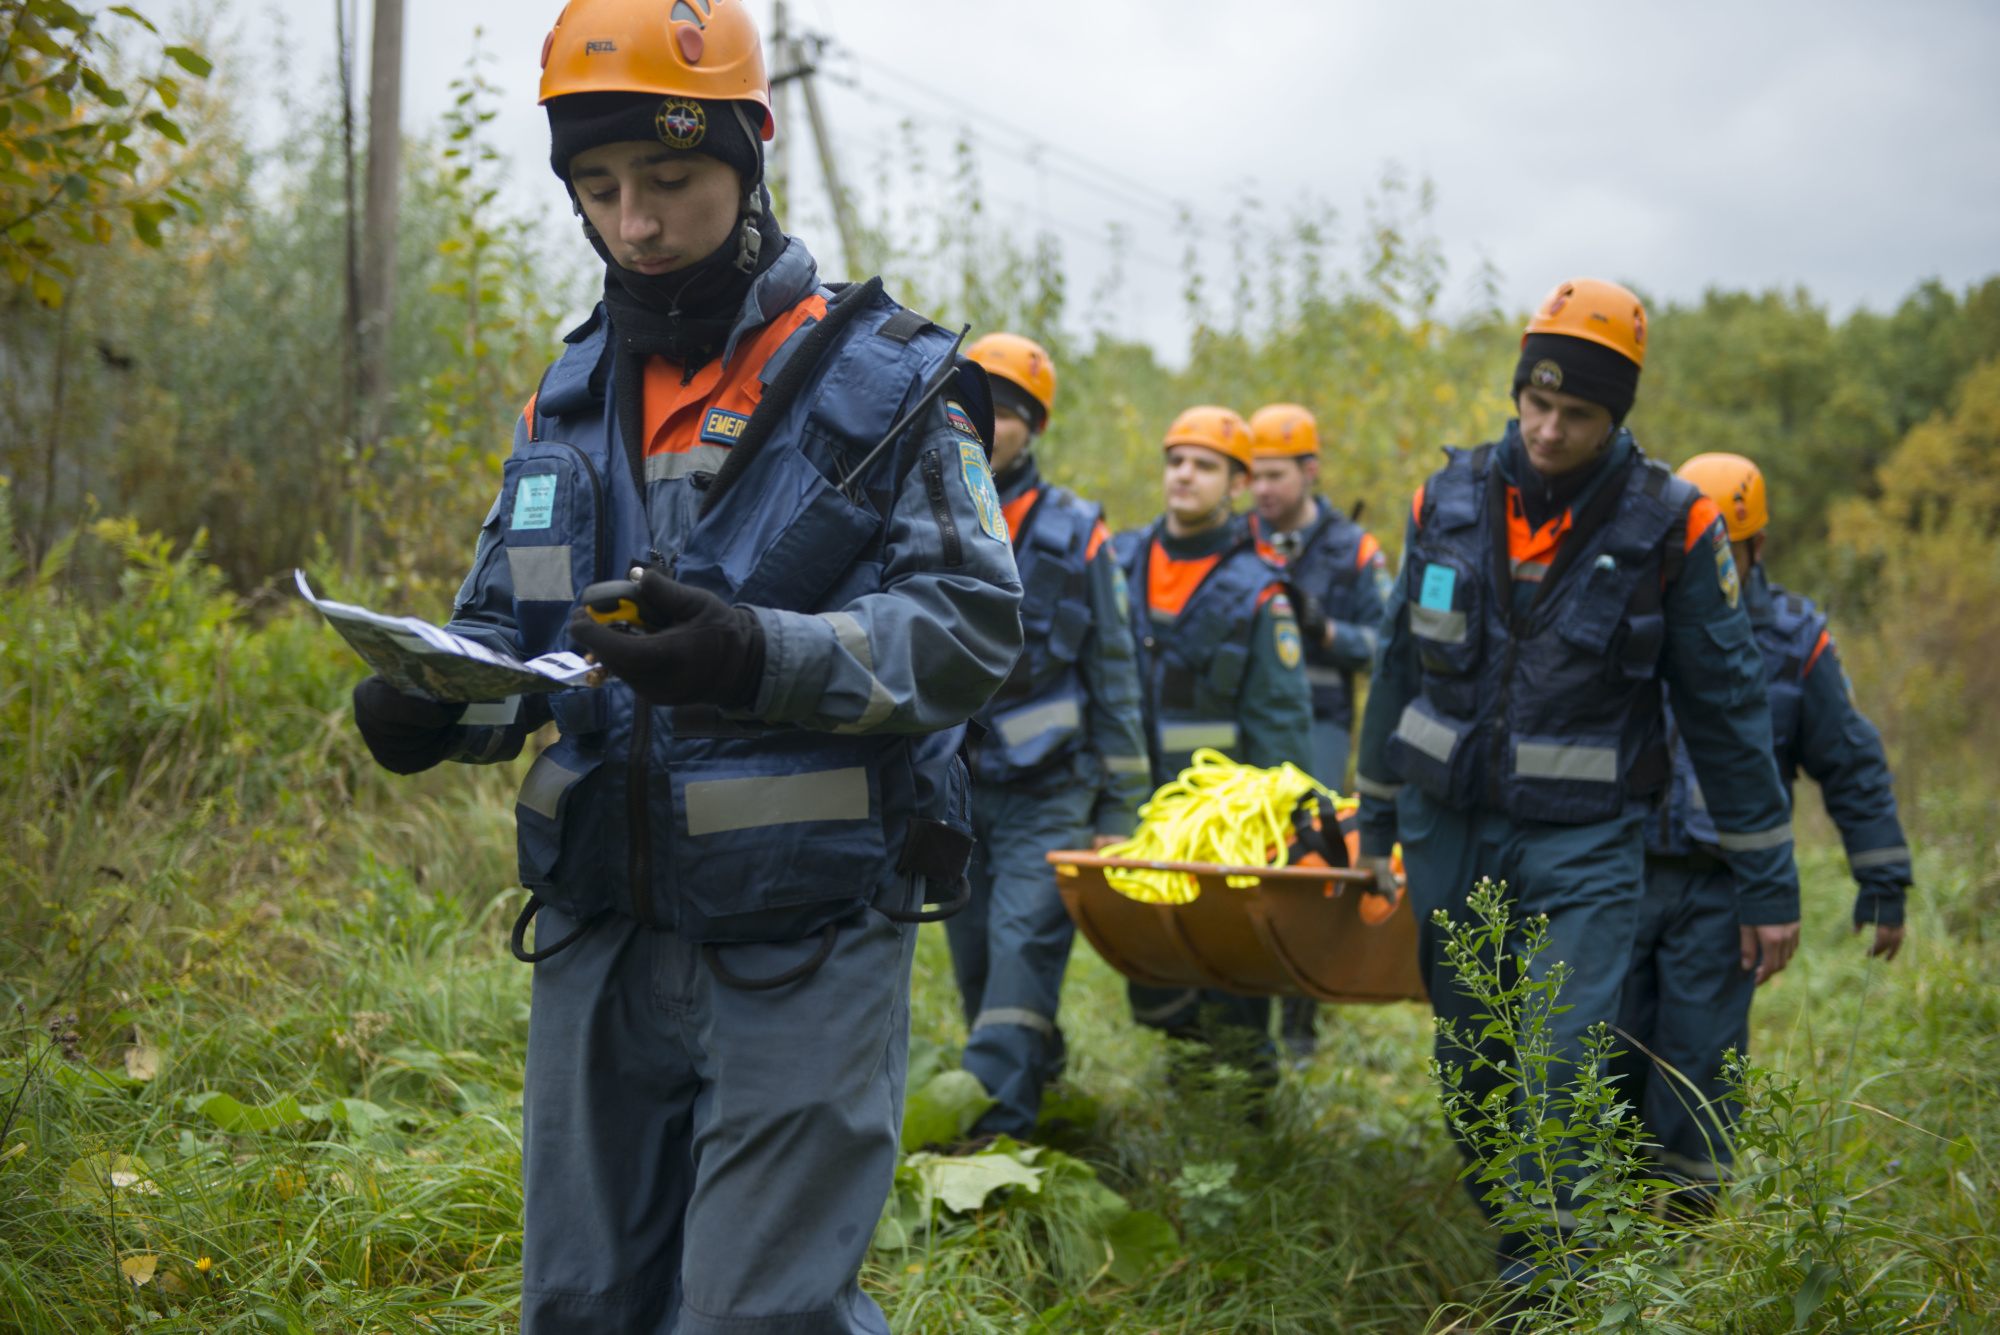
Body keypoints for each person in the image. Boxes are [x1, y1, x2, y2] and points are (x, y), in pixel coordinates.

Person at [346, 4, 1023, 1331]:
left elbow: (971, 626)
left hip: (804, 932)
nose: (635, 223)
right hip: (599, 922)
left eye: (669, 181)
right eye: (598, 189)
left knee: (755, 1313)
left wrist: (757, 651)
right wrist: (437, 700)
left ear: (750, 155)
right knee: (580, 1303)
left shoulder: (890, 385)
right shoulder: (566, 398)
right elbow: (516, 634)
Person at [1352, 278, 1801, 1286]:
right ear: (1517, 391)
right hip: (1445, 830)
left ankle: (1543, 1284)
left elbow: (1729, 714)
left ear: (1616, 416)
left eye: (1577, 413)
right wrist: (1372, 814)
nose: (1548, 430)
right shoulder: (1447, 498)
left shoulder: (1672, 530)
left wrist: (1766, 883)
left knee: (1561, 1063)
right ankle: (1521, 1215)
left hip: (1586, 846)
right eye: (1535, 403)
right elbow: (1392, 668)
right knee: (1472, 1065)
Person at [1615, 451, 1912, 1212]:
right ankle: (1601, 1238)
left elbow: (1849, 760)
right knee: (1607, 1051)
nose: (1704, 560)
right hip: (1623, 875)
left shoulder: (1793, 639)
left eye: (1723, 544)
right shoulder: (1630, 616)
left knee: (1697, 1065)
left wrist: (1882, 879)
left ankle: (1683, 1240)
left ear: (1756, 546)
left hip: (1722, 894)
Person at [945, 332, 1150, 1141]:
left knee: (1022, 949)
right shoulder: (924, 510)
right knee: (975, 968)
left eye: (1007, 415)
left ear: (1033, 429)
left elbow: (1116, 672)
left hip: (1052, 789)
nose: (985, 426)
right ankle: (1043, 1077)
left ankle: (992, 1139)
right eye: (971, 408)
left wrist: (1123, 807)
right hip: (954, 788)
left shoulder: (1078, 533)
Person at [1112, 405, 1314, 1060]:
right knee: (1156, 970)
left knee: (1233, 974)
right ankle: (1189, 1085)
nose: (1184, 476)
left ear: (1235, 484)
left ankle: (1249, 1107)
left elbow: (1281, 724)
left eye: (1204, 465)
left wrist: (1279, 827)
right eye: (1176, 461)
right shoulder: (1118, 561)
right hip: (1136, 805)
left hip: (1224, 822)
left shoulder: (1259, 588)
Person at [1246, 402, 1392, 1058]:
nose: (1262, 490)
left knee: (1308, 860)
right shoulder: (1240, 537)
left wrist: (1326, 631)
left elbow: (1390, 646)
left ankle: (1300, 1022)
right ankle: (1242, 1016)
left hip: (1324, 728)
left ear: (1310, 471)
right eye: (1253, 476)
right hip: (1251, 726)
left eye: (1275, 475)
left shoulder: (1354, 548)